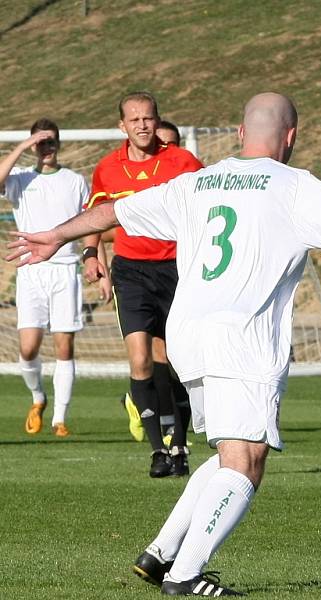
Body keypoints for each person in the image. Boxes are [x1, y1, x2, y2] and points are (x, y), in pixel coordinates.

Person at [7, 91, 321, 596]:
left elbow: (113, 214)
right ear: (291, 137)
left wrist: (56, 235)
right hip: (244, 339)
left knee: (225, 454)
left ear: (240, 134)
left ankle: (161, 553)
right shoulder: (295, 186)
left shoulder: (198, 180)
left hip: (189, 336)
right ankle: (186, 575)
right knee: (247, 461)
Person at [83, 92, 203, 477]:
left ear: (157, 120)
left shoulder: (182, 162)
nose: (142, 125)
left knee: (175, 359)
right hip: (131, 270)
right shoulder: (107, 168)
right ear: (122, 126)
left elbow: (208, 204)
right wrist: (91, 255)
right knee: (140, 359)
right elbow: (97, 216)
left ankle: (180, 444)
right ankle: (157, 451)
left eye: (148, 118)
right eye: (134, 119)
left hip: (175, 269)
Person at [0, 119, 88, 437]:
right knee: (27, 348)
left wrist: (95, 262)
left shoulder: (75, 180)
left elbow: (90, 225)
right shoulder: (20, 179)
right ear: (33, 146)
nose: (46, 148)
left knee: (64, 346)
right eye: (40, 143)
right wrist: (22, 147)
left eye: (51, 142)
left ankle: (59, 419)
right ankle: (38, 398)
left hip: (65, 269)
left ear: (59, 144)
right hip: (30, 270)